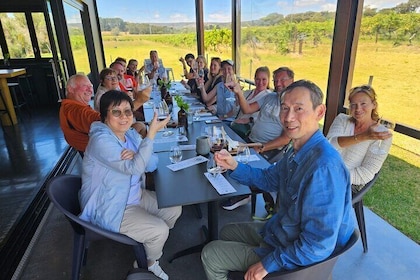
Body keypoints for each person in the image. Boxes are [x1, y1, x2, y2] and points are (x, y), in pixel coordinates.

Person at [201, 80, 355, 280]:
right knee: (228, 231)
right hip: (282, 232)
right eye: (285, 108)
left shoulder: (324, 169)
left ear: (319, 112)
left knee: (211, 253)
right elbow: (267, 179)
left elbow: (318, 245)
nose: (289, 117)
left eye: (299, 109)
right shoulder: (296, 149)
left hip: (295, 254)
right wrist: (234, 166)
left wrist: (269, 263)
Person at [80, 90, 182, 280]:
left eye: (128, 111)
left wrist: (137, 156)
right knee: (159, 230)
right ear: (104, 116)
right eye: (116, 112)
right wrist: (149, 136)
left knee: (174, 208)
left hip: (134, 196)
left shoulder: (130, 135)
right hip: (110, 206)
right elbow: (136, 169)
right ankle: (146, 264)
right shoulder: (101, 141)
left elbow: (151, 164)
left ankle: (147, 246)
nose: (124, 117)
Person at [220, 67, 293, 213]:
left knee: (236, 160)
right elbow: (247, 110)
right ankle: (235, 189)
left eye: (283, 80)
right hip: (251, 140)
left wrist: (262, 147)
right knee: (222, 151)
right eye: (276, 80)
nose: (278, 83)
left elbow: (286, 139)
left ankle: (245, 194)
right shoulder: (269, 97)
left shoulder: (290, 106)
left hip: (269, 149)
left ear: (292, 81)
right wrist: (239, 92)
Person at [59, 74, 150, 155]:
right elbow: (107, 121)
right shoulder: (74, 110)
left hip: (103, 144)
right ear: (70, 89)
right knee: (140, 127)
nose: (89, 89)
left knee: (140, 126)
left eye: (90, 86)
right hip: (106, 152)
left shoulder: (73, 106)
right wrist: (139, 101)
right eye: (84, 86)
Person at [326, 84, 393, 191]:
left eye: (363, 104)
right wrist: (364, 136)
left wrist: (334, 176)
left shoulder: (382, 135)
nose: (358, 109)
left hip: (348, 184)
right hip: (323, 173)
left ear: (374, 105)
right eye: (353, 104)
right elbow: (328, 146)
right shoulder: (342, 120)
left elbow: (366, 173)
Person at [229, 66, 272, 139]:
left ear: (268, 80)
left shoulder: (268, 96)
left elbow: (265, 115)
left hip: (248, 130)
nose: (260, 82)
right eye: (258, 79)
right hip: (235, 124)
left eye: (264, 79)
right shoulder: (247, 92)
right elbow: (236, 111)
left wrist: (250, 120)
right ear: (254, 79)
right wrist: (237, 98)